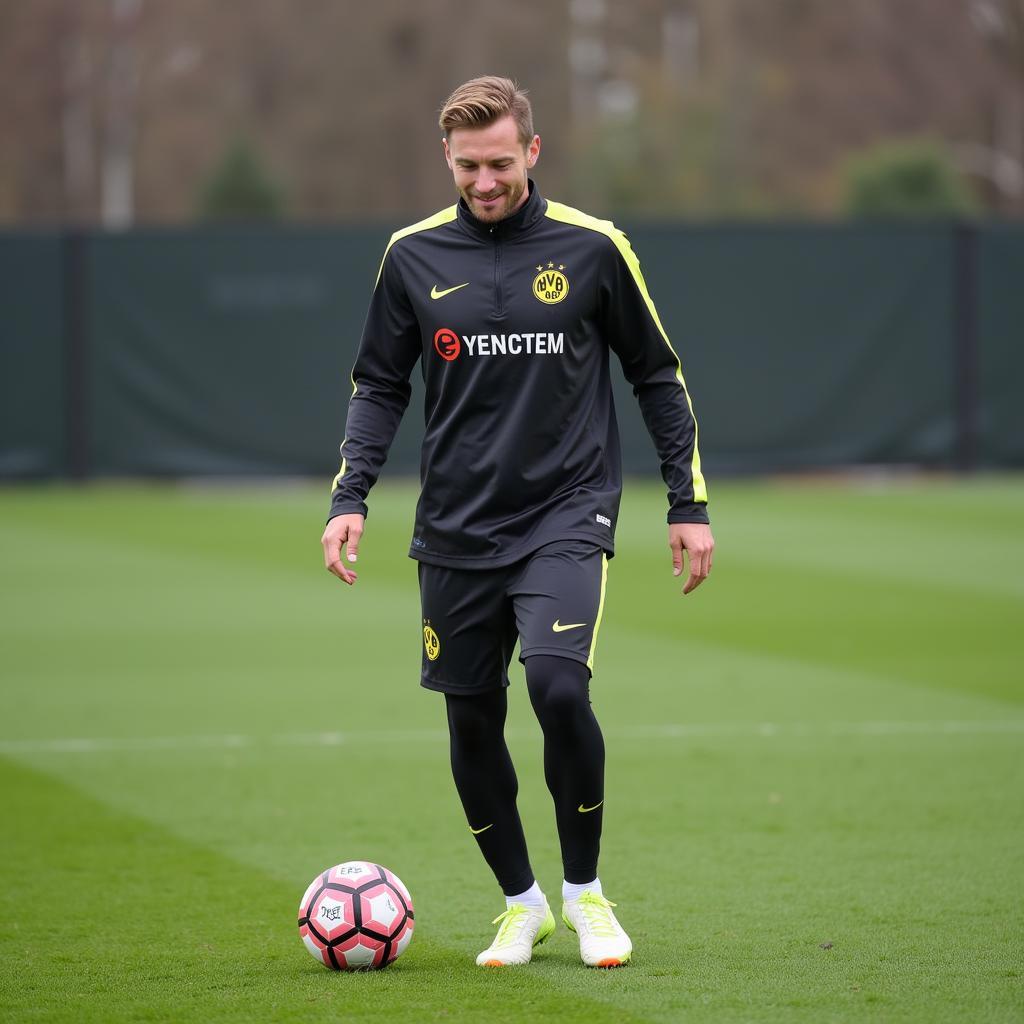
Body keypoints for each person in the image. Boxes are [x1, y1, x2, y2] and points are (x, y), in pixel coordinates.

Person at [321, 76, 713, 969]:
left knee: (558, 686)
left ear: (533, 152)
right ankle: (521, 904)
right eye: (468, 166)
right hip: (455, 526)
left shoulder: (593, 248)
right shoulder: (410, 256)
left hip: (566, 514)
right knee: (470, 721)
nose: (485, 181)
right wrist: (351, 498)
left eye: (500, 163)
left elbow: (657, 375)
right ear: (446, 160)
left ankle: (586, 897)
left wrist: (686, 504)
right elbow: (379, 386)